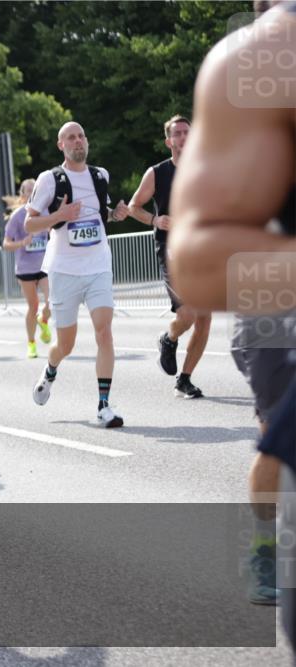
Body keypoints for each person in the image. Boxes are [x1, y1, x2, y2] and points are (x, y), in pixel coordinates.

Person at [168, 0, 296, 609]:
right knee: (277, 432)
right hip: (278, 309)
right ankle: (265, 548)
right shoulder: (265, 60)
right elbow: (196, 260)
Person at [26, 121, 131, 428]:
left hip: (98, 266)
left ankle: (103, 406)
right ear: (61, 145)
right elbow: (30, 224)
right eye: (70, 137)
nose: (77, 141)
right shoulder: (49, 180)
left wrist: (117, 214)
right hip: (64, 271)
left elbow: (103, 214)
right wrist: (60, 215)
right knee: (66, 345)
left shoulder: (100, 176)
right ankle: (50, 370)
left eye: (81, 135)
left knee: (104, 331)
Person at [128, 115, 210, 398]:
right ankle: (169, 337)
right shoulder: (157, 173)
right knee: (187, 314)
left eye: (188, 132)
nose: (184, 137)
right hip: (172, 250)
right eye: (178, 133)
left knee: (204, 319)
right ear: (168, 141)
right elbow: (133, 206)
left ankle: (184, 379)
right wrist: (155, 219)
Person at [2, 178, 52, 358]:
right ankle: (31, 343)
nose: (32, 194)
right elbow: (6, 244)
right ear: (22, 196)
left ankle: (44, 320)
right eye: (28, 191)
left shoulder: (46, 211)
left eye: (35, 190)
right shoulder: (17, 216)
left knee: (52, 301)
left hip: (45, 265)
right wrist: (23, 242)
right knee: (33, 306)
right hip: (25, 269)